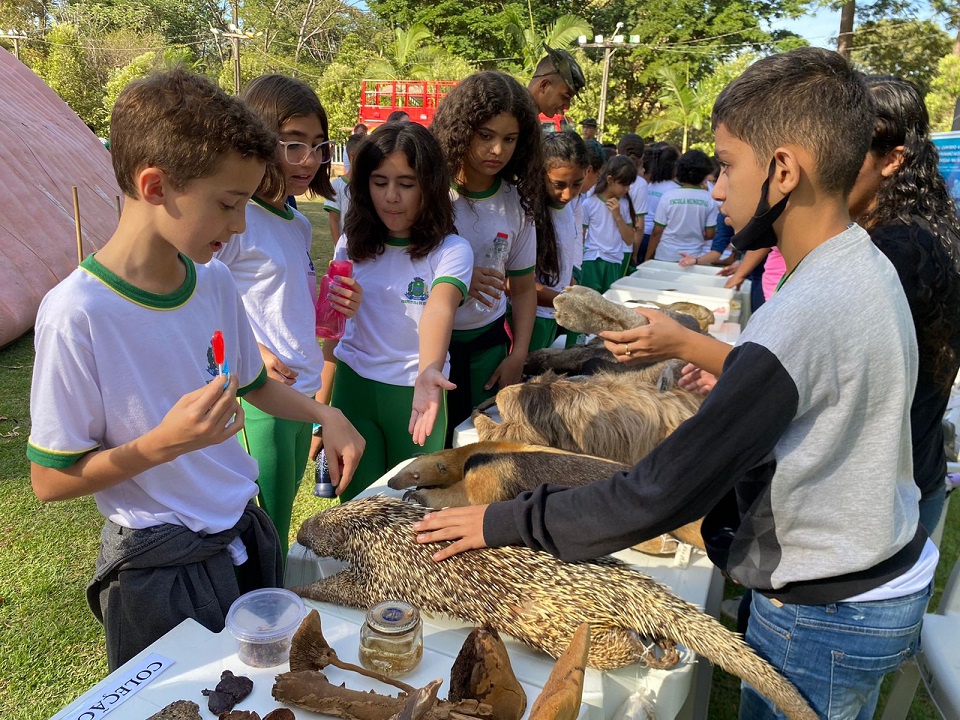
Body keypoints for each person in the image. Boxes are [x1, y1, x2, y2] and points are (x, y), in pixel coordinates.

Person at [413, 48, 937, 720]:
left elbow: (656, 491)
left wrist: (502, 519)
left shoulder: (805, 315)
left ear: (782, 171)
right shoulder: (859, 262)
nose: (716, 189)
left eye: (725, 166)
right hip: (871, 574)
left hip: (825, 611)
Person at [27, 68, 365, 670]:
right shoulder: (77, 313)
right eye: (229, 204)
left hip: (244, 534)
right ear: (156, 186)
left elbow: (256, 385)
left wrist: (324, 412)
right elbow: (52, 480)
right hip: (160, 568)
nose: (238, 225)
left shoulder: (210, 281)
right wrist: (162, 444)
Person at [213, 74, 361, 558]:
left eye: (318, 146)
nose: (308, 160)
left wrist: (338, 305)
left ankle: (267, 604)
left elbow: (288, 304)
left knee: (275, 519)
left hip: (302, 393)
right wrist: (250, 351)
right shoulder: (236, 219)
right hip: (259, 396)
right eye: (293, 144)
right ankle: (253, 617)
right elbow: (200, 300)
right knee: (260, 523)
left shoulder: (296, 223)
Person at [321, 122, 473, 500]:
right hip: (353, 388)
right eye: (379, 182)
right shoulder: (349, 244)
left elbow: (439, 307)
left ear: (430, 186)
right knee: (355, 508)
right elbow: (328, 328)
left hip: (415, 396)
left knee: (411, 510)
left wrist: (429, 370)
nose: (391, 196)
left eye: (406, 184)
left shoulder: (451, 251)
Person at [850, 75, 960, 533]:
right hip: (912, 476)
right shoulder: (927, 230)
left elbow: (833, 383)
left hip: (877, 504)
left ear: (893, 159)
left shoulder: (895, 250)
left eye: (844, 150)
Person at [431, 71, 543, 437]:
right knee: (427, 449)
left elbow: (524, 288)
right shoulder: (429, 193)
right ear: (460, 129)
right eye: (486, 136)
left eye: (509, 139)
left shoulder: (517, 205)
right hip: (426, 350)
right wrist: (456, 280)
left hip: (488, 350)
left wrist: (517, 355)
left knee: (474, 446)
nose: (497, 150)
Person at [531, 131, 589, 350]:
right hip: (530, 318)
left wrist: (577, 293)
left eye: (577, 184)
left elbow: (563, 267)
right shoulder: (529, 215)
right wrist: (566, 301)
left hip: (553, 314)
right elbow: (514, 283)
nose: (567, 194)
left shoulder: (567, 209)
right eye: (558, 184)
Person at [645, 149, 717, 263]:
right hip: (693, 257)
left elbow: (657, 231)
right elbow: (710, 234)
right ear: (705, 173)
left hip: (665, 255)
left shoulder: (668, 196)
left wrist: (648, 257)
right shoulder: (709, 200)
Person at [579, 155, 636, 294]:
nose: (627, 189)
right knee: (589, 303)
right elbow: (581, 235)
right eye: (624, 184)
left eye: (629, 185)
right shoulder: (589, 203)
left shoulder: (624, 204)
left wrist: (618, 216)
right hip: (592, 260)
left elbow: (629, 240)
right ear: (610, 180)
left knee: (608, 303)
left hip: (614, 261)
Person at [641, 144, 680, 261]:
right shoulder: (675, 190)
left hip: (640, 235)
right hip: (656, 239)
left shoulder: (648, 184)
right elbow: (659, 229)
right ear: (674, 166)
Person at [617, 134, 649, 271]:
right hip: (624, 248)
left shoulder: (605, 176)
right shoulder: (640, 183)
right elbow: (639, 225)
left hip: (595, 249)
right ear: (642, 157)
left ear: (618, 151)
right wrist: (634, 254)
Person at [326, 132, 366, 240]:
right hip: (346, 250)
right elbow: (334, 220)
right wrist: (339, 250)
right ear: (352, 156)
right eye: (365, 155)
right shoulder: (336, 185)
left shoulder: (370, 186)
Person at [528, 45, 586, 118]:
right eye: (564, 97)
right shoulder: (512, 111)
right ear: (544, 85)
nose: (567, 107)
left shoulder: (526, 118)